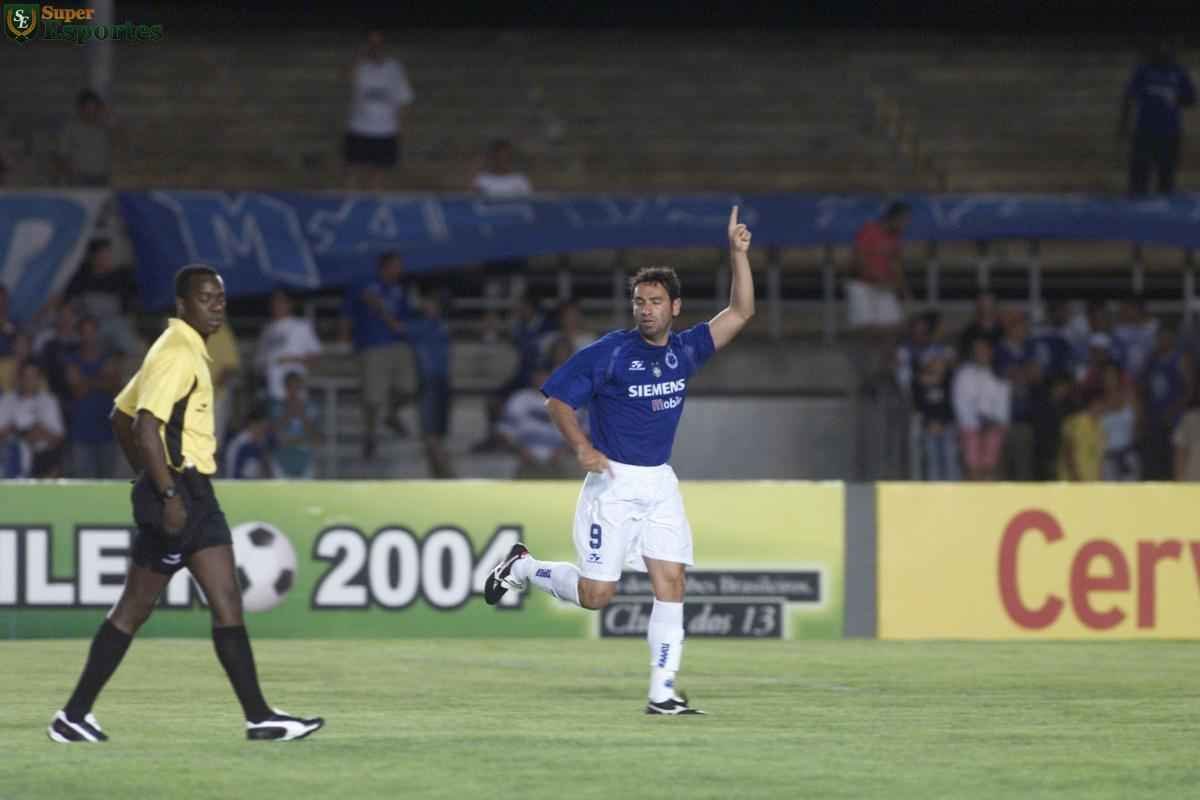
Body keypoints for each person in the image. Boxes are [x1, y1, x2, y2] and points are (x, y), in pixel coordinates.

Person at [482, 206, 755, 715]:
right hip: (613, 485)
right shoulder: (609, 353)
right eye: (638, 301)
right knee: (596, 595)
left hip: (659, 484)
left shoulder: (687, 349)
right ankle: (523, 568)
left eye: (655, 301)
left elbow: (739, 313)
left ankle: (662, 692)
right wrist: (582, 445)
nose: (645, 309)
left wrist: (738, 255)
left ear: (675, 306)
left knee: (671, 582)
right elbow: (556, 399)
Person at [47, 265, 322, 744]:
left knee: (226, 601)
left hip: (197, 494)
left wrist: (161, 480)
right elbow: (145, 425)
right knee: (134, 608)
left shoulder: (182, 349)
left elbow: (120, 415)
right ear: (182, 304)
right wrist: (165, 489)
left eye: (220, 296)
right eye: (206, 297)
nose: (217, 305)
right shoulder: (176, 353)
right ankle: (72, 715)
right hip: (178, 496)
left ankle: (259, 717)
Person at [341, 251, 416, 461]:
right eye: (396, 265)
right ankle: (370, 436)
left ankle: (391, 413)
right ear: (385, 266)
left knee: (410, 388)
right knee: (373, 397)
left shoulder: (401, 289)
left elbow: (405, 316)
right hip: (372, 345)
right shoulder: (363, 284)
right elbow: (347, 312)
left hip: (398, 344)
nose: (400, 270)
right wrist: (345, 339)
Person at [1120, 40, 1196, 196]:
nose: (1164, 52)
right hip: (1145, 133)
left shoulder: (1179, 73)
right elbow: (1128, 98)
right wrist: (1123, 124)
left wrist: (1174, 97)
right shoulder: (1143, 71)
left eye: (1167, 49)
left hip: (1169, 133)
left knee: (1166, 179)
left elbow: (1191, 100)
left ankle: (1164, 213)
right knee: (1139, 180)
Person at [847, 201, 911, 386]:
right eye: (903, 221)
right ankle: (866, 374)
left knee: (897, 327)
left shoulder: (896, 239)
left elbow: (896, 264)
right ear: (893, 218)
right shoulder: (869, 231)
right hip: (863, 285)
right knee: (867, 330)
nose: (905, 226)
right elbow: (858, 260)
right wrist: (875, 278)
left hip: (884, 287)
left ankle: (883, 371)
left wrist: (903, 288)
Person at [343, 30, 415, 191]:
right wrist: (359, 57)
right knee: (353, 172)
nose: (375, 48)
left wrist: (401, 128)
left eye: (378, 44)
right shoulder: (359, 67)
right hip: (359, 128)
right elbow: (346, 78)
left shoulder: (395, 68)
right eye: (371, 44)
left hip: (386, 130)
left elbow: (404, 99)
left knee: (379, 177)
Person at [952, 336, 1011, 481]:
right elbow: (960, 402)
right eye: (977, 350)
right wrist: (975, 422)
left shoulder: (999, 375)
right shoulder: (964, 374)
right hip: (970, 426)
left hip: (994, 425)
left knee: (991, 466)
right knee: (972, 465)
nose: (980, 353)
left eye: (984, 349)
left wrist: (998, 421)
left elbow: (1003, 403)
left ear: (990, 352)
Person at [255, 288, 322, 404]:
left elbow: (316, 359)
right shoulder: (267, 330)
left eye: (281, 301)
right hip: (270, 393)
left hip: (295, 394)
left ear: (290, 304)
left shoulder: (302, 326)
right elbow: (259, 362)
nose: (277, 305)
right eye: (274, 302)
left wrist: (292, 359)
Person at [270, 373, 321, 480]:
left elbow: (316, 435)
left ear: (301, 388)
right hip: (282, 457)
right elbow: (273, 432)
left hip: (304, 458)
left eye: (296, 387)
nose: (293, 391)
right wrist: (288, 413)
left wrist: (302, 415)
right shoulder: (277, 407)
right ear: (285, 387)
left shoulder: (310, 408)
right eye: (290, 387)